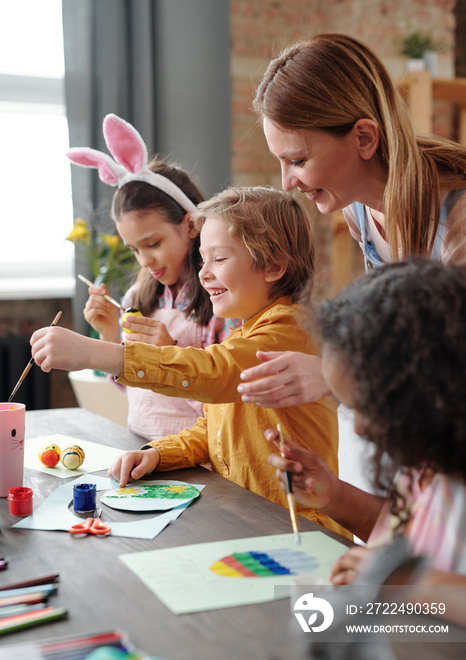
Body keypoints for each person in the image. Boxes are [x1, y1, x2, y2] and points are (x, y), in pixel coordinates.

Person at [31, 185, 350, 537]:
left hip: (302, 530)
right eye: (203, 259)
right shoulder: (243, 332)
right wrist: (159, 454)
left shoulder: (291, 329)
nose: (203, 273)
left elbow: (214, 373)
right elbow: (212, 425)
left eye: (220, 259)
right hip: (253, 520)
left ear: (273, 265)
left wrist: (94, 353)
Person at [237, 33, 466, 409]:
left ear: (363, 138)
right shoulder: (357, 209)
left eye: (297, 161)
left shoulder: (457, 217)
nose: (287, 183)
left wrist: (333, 376)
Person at [266, 258, 466, 615]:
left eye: (369, 406)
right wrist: (335, 496)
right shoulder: (426, 463)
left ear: (429, 390)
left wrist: (410, 581)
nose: (359, 428)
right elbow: (415, 537)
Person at [67, 113, 237, 440]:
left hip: (200, 459)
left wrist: (170, 352)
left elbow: (225, 402)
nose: (145, 261)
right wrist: (108, 336)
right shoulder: (137, 300)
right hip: (143, 449)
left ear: (190, 225)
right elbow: (135, 389)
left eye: (153, 244)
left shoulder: (222, 300)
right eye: (134, 250)